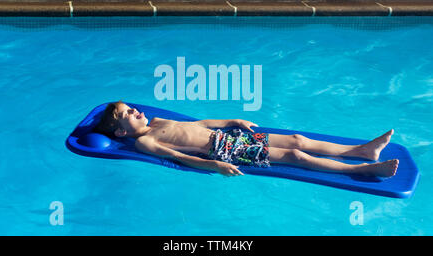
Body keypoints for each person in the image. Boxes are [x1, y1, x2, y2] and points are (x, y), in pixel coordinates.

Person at [94, 101, 398, 177]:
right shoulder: (141, 142)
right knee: (296, 158)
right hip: (223, 151)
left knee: (297, 140)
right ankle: (364, 169)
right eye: (126, 113)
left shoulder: (158, 119)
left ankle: (363, 150)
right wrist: (214, 165)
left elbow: (197, 123)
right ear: (121, 132)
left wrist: (230, 120)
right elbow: (177, 156)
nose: (134, 110)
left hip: (224, 135)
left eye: (131, 107)